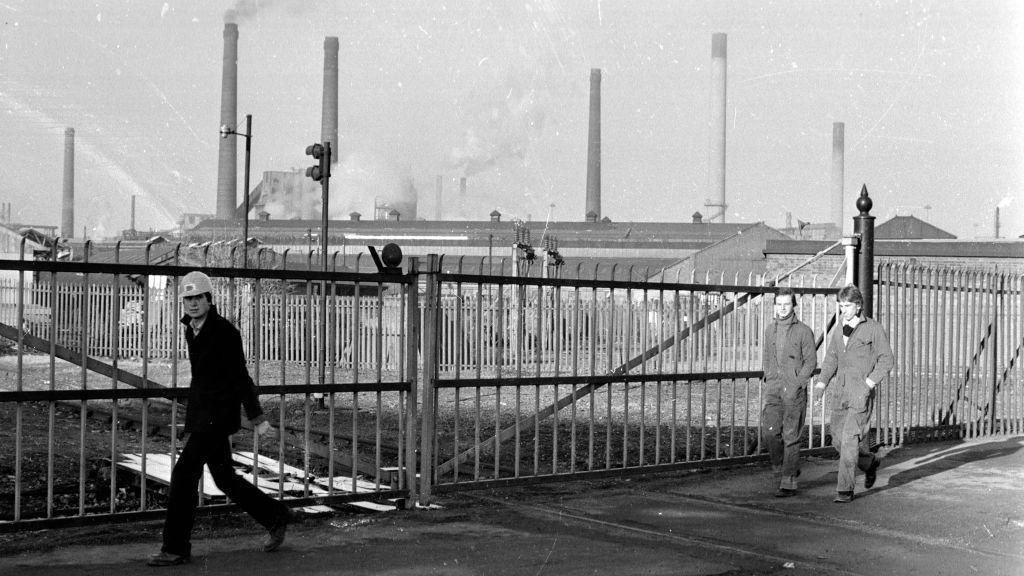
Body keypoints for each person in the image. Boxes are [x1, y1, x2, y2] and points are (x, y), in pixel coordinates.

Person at [148, 271, 291, 566]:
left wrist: (257, 418)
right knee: (224, 478)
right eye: (188, 298)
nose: (193, 303)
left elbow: (240, 378)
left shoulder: (225, 333)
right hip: (203, 414)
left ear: (209, 300)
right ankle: (276, 517)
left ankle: (175, 548)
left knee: (184, 475)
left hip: (216, 416)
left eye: (198, 297)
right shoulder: (192, 329)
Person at [814, 284, 894, 503]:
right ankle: (869, 463)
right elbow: (831, 358)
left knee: (849, 440)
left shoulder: (873, 329)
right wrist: (821, 384)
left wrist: (868, 383)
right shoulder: (840, 328)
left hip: (860, 393)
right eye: (840, 306)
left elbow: (887, 359)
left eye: (847, 306)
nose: (843, 310)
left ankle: (845, 489)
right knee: (837, 440)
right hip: (840, 391)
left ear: (858, 306)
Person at [762, 287, 817, 497]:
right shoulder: (770, 330)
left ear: (793, 305)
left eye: (787, 304)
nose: (783, 308)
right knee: (769, 432)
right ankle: (783, 467)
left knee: (791, 435)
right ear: (775, 305)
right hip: (774, 389)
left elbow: (811, 362)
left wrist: (798, 383)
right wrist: (769, 379)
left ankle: (788, 481)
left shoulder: (803, 331)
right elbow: (767, 358)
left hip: (794, 391)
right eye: (779, 304)